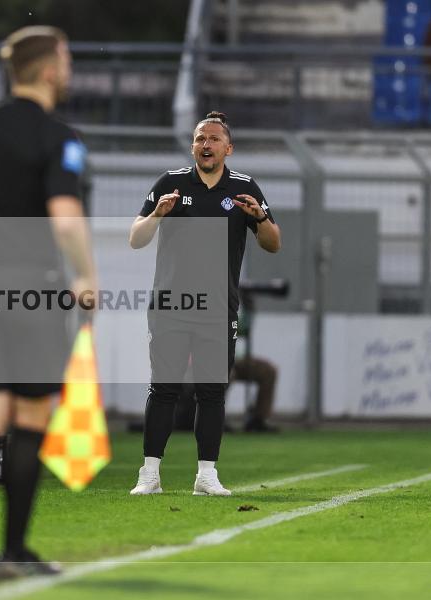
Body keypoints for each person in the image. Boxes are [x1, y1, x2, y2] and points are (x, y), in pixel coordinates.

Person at [0, 26, 96, 581]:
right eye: (67, 58)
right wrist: (85, 275)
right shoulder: (60, 138)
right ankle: (15, 548)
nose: (70, 69)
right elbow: (63, 214)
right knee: (31, 419)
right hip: (34, 285)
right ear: (50, 69)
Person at [128, 111, 281, 497]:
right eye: (200, 139)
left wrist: (260, 217)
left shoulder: (244, 188)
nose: (206, 145)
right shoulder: (172, 183)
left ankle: (206, 475)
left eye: (213, 139)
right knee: (163, 389)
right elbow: (136, 237)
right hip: (171, 304)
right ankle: (149, 475)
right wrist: (158, 214)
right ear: (193, 146)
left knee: (211, 392)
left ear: (228, 148)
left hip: (217, 307)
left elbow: (273, 242)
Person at [231, 292, 279, 433]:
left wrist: (249, 308)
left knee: (268, 371)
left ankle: (259, 420)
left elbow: (243, 329)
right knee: (226, 374)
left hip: (233, 359)